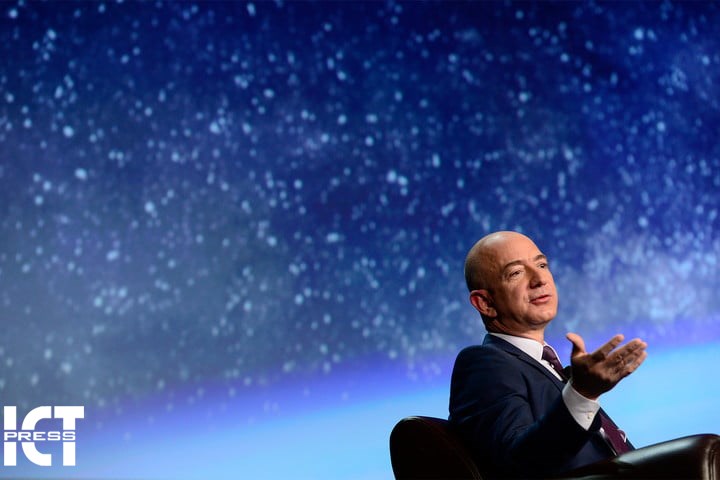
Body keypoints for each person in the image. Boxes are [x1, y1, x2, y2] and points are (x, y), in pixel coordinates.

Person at [449, 231, 648, 478]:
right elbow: (519, 463)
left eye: (542, 265)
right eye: (516, 273)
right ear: (485, 303)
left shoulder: (547, 367)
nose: (539, 279)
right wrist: (582, 394)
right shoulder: (483, 365)